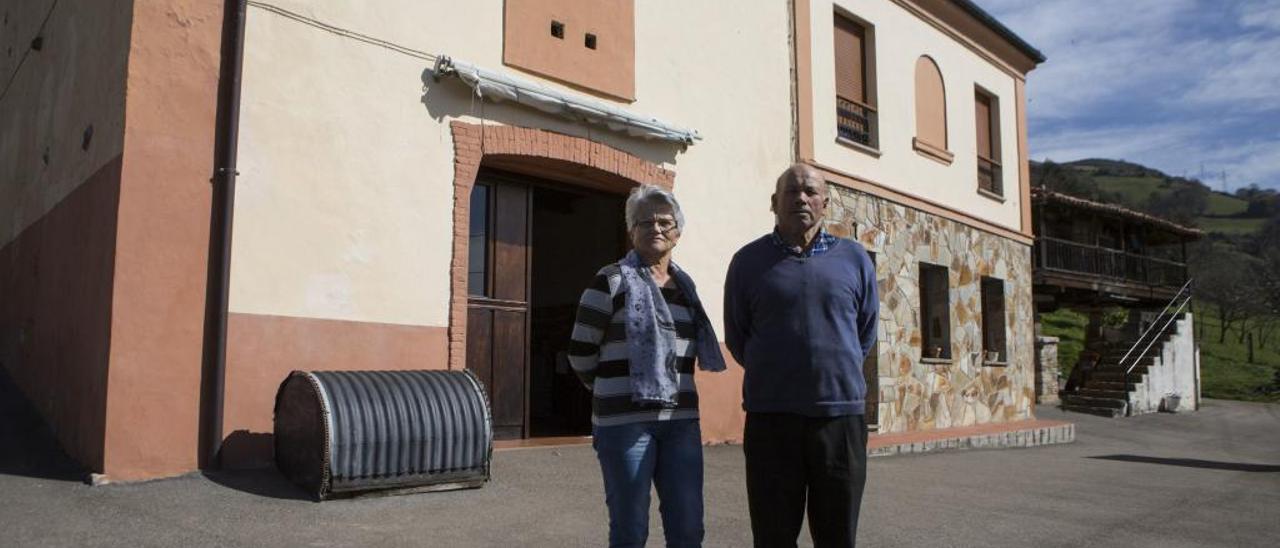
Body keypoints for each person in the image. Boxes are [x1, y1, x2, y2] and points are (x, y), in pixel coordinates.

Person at [723, 163, 879, 548]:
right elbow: (738, 336)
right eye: (791, 192)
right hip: (771, 418)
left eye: (810, 191)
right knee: (773, 535)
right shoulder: (747, 263)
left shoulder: (855, 259)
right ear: (774, 203)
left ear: (825, 202)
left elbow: (865, 331)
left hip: (839, 418)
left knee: (837, 534)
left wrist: (831, 370)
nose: (801, 198)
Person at [568, 184, 727, 548]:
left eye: (664, 222)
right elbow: (580, 353)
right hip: (624, 424)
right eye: (644, 222)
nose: (655, 229)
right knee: (630, 530)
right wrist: (614, 387)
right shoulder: (610, 280)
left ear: (678, 233)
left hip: (681, 423)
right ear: (631, 231)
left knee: (688, 529)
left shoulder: (686, 288)